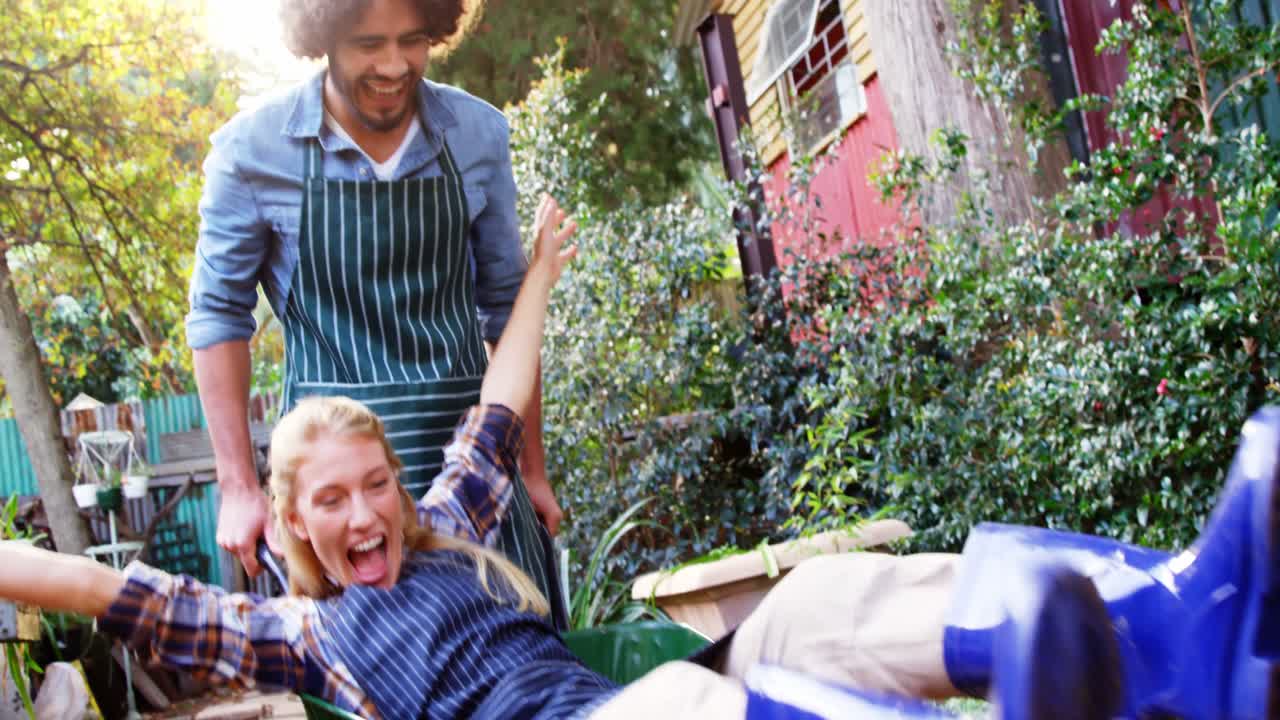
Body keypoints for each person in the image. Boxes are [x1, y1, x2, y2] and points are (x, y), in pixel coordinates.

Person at [0, 196, 1126, 720]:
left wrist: (536, 274)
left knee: (811, 606)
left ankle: (1138, 616)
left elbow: (497, 402)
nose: (362, 514)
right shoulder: (295, 633)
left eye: (374, 485)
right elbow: (103, 586)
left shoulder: (446, 530)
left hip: (620, 706)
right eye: (331, 500)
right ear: (296, 524)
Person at [187, 0, 564, 620]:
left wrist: (532, 470)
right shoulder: (252, 152)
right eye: (369, 44)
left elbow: (506, 308)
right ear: (324, 36)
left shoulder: (477, 135)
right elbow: (218, 318)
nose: (394, 65)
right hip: (334, 494)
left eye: (411, 40)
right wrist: (237, 487)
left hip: (472, 468)